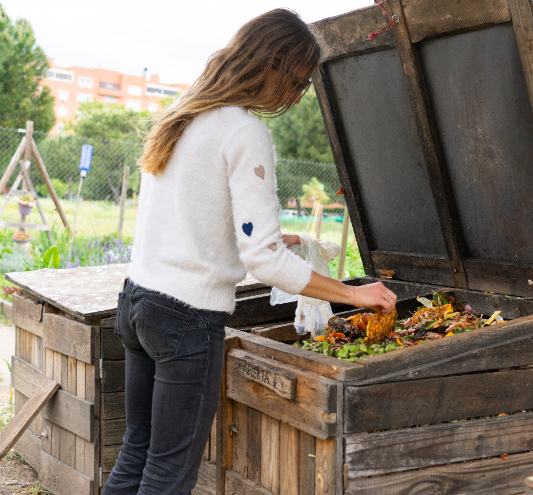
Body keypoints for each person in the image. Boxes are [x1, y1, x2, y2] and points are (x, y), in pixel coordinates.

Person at [103, 9, 397, 495]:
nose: (296, 96)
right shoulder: (243, 130)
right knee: (168, 473)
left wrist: (263, 240)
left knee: (137, 451)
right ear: (273, 65)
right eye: (299, 81)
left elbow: (189, 215)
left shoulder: (187, 112)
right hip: (185, 319)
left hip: (138, 303)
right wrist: (355, 295)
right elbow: (264, 263)